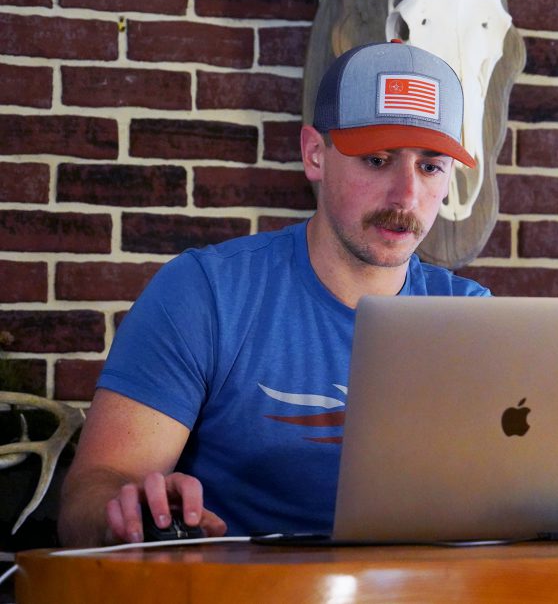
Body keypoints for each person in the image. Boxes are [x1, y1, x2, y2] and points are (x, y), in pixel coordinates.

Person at [57, 41, 490, 547]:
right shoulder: (206, 295)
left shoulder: (472, 319)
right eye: (376, 160)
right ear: (314, 155)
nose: (406, 197)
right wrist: (129, 513)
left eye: (430, 167)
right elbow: (88, 497)